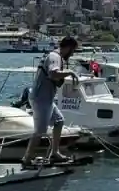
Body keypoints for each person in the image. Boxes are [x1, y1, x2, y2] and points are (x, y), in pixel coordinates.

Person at [21, 35, 80, 166]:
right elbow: (53, 74)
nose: (72, 54)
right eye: (73, 51)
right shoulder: (54, 57)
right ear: (68, 48)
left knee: (59, 121)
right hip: (41, 98)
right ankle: (27, 159)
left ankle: (55, 153)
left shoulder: (56, 57)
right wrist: (70, 73)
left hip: (46, 98)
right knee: (40, 131)